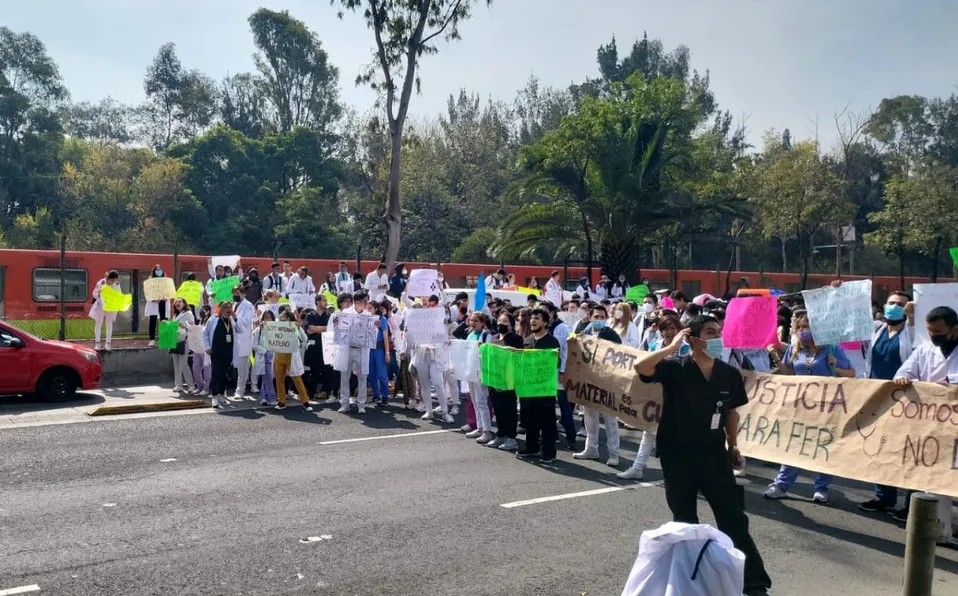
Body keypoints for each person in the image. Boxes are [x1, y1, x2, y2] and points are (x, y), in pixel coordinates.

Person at [636, 315, 773, 596]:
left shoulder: (728, 374)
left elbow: (731, 411)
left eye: (719, 332)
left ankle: (754, 582)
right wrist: (671, 347)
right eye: (711, 332)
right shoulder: (675, 367)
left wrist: (733, 445)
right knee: (685, 520)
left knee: (733, 518)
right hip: (677, 456)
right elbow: (641, 366)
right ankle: (690, 582)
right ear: (694, 338)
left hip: (713, 455)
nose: (718, 338)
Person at [764, 310, 855, 502]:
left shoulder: (833, 349)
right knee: (795, 443)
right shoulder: (795, 349)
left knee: (824, 445)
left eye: (808, 327)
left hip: (828, 407)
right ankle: (781, 485)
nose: (804, 331)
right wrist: (776, 357)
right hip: (800, 405)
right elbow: (789, 374)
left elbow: (851, 374)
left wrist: (835, 367)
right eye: (801, 327)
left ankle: (821, 487)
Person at [891, 306, 958, 544]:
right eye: (930, 331)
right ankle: (942, 532)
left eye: (939, 330)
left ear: (954, 329)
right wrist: (903, 377)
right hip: (934, 426)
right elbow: (904, 371)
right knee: (937, 479)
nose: (934, 335)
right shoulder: (924, 350)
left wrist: (949, 381)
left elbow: (952, 378)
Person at [857, 290, 917, 514]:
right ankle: (884, 496)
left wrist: (912, 319)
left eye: (901, 304)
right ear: (884, 305)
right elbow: (850, 320)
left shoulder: (912, 332)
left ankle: (912, 504)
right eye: (891, 302)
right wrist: (838, 293)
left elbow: (916, 346)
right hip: (878, 398)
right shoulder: (877, 329)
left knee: (909, 451)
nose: (895, 306)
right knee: (880, 448)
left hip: (906, 401)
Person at [573, 306, 623, 467]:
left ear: (606, 318)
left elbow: (619, 357)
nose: (599, 319)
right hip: (588, 381)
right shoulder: (584, 333)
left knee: (609, 418)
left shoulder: (611, 334)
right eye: (596, 316)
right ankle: (591, 449)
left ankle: (614, 453)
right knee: (589, 417)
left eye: (602, 316)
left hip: (607, 381)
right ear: (591, 316)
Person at [517, 308, 561, 463]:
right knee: (530, 419)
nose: (533, 321)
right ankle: (532, 447)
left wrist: (552, 358)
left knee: (547, 422)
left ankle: (548, 452)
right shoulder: (528, 339)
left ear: (545, 322)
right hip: (529, 388)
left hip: (544, 389)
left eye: (536, 318)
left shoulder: (551, 342)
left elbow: (557, 364)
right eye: (532, 318)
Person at [332, 291, 376, 414]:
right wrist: (336, 323)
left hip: (362, 349)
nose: (367, 304)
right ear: (357, 302)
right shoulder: (345, 313)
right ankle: (344, 403)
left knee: (362, 377)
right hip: (348, 348)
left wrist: (375, 326)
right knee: (345, 376)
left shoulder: (368, 315)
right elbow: (338, 331)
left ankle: (361, 404)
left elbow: (372, 333)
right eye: (365, 301)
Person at [486, 312, 523, 451]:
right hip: (495, 379)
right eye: (500, 320)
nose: (501, 323)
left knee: (509, 409)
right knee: (498, 408)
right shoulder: (494, 338)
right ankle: (501, 434)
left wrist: (512, 351)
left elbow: (519, 356)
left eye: (505, 321)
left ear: (512, 325)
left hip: (509, 380)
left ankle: (511, 438)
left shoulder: (516, 339)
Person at [203, 300, 246, 408]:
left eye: (230, 307)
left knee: (224, 375)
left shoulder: (232, 320)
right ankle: (214, 396)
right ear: (221, 309)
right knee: (216, 374)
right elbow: (205, 334)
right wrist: (207, 347)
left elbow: (241, 330)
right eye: (226, 307)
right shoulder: (213, 319)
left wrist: (235, 317)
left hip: (229, 352)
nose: (228, 309)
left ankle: (222, 395)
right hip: (216, 351)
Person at [272, 309, 312, 412]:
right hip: (279, 354)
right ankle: (281, 401)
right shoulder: (277, 326)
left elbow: (304, 338)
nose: (281, 320)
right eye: (280, 319)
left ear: (289, 319)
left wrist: (299, 329)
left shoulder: (295, 327)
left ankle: (305, 402)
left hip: (291, 355)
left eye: (283, 319)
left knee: (297, 379)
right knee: (279, 379)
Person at [464, 312, 494, 443]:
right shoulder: (470, 335)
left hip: (481, 372)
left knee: (481, 401)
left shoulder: (487, 336)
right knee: (475, 402)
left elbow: (489, 353)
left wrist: (481, 349)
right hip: (471, 371)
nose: (473, 323)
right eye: (471, 321)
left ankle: (487, 431)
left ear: (482, 323)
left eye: (476, 321)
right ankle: (479, 427)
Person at [304, 294, 332, 401]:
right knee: (314, 371)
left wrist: (317, 329)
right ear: (317, 302)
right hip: (314, 346)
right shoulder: (310, 315)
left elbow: (330, 328)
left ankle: (325, 391)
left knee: (327, 370)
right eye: (324, 300)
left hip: (326, 346)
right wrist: (325, 328)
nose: (325, 302)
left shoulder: (328, 316)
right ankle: (311, 392)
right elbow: (310, 328)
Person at [231, 282, 256, 399]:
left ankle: (240, 390)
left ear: (242, 293)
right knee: (234, 367)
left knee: (242, 368)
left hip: (243, 339)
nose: (235, 295)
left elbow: (247, 321)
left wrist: (235, 317)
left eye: (237, 293)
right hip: (233, 339)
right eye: (234, 293)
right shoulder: (233, 305)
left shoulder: (248, 305)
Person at [169, 298, 196, 394]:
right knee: (176, 364)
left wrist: (183, 325)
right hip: (174, 340)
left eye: (180, 301)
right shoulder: (175, 315)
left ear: (184, 304)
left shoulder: (188, 314)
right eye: (176, 302)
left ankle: (191, 385)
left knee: (184, 364)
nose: (177, 303)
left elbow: (192, 327)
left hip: (184, 341)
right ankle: (178, 385)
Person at [90, 270, 121, 351]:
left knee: (109, 324)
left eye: (115, 280)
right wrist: (99, 294)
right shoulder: (101, 282)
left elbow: (119, 295)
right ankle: (97, 343)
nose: (113, 282)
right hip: (100, 306)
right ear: (108, 278)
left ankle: (108, 343)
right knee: (98, 324)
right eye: (112, 280)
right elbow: (94, 294)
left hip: (110, 307)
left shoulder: (117, 284)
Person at [251, 310, 277, 407]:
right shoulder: (259, 330)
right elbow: (254, 345)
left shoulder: (276, 329)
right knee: (268, 378)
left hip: (273, 357)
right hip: (264, 357)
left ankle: (264, 397)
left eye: (269, 317)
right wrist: (265, 351)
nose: (267, 320)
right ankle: (272, 397)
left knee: (267, 378)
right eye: (265, 318)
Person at [368, 300, 391, 405]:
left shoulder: (382, 319)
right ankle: (376, 395)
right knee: (371, 374)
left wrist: (387, 353)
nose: (368, 310)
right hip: (369, 350)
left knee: (382, 374)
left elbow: (386, 337)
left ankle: (385, 396)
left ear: (376, 309)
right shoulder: (366, 319)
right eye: (367, 308)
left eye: (370, 308)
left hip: (379, 350)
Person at [146, 264, 170, 347]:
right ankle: (152, 340)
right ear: (154, 271)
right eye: (157, 269)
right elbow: (147, 292)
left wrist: (165, 298)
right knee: (152, 321)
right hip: (154, 303)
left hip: (163, 302)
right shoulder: (150, 280)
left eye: (160, 269)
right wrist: (154, 299)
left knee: (164, 321)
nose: (159, 271)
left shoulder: (166, 280)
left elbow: (169, 291)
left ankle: (164, 339)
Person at [191, 305, 213, 396]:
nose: (201, 313)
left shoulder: (211, 321)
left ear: (208, 311)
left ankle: (206, 388)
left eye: (203, 311)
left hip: (206, 349)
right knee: (196, 368)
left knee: (207, 368)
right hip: (198, 347)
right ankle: (199, 386)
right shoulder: (201, 321)